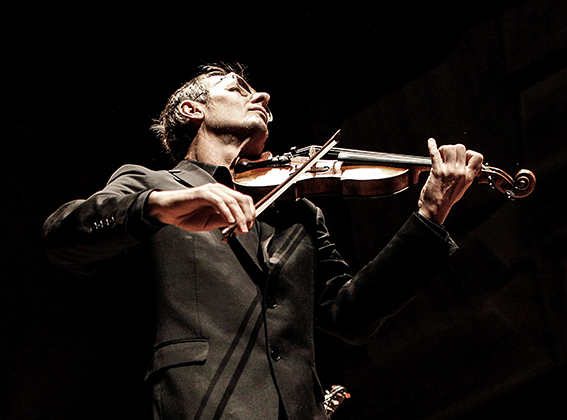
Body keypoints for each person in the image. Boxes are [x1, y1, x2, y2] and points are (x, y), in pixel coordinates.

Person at [43, 63, 484, 420]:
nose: (263, 97)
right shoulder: (153, 184)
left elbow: (351, 315)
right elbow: (62, 235)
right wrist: (159, 206)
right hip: (202, 404)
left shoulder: (298, 212)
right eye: (236, 88)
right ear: (192, 110)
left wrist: (430, 214)